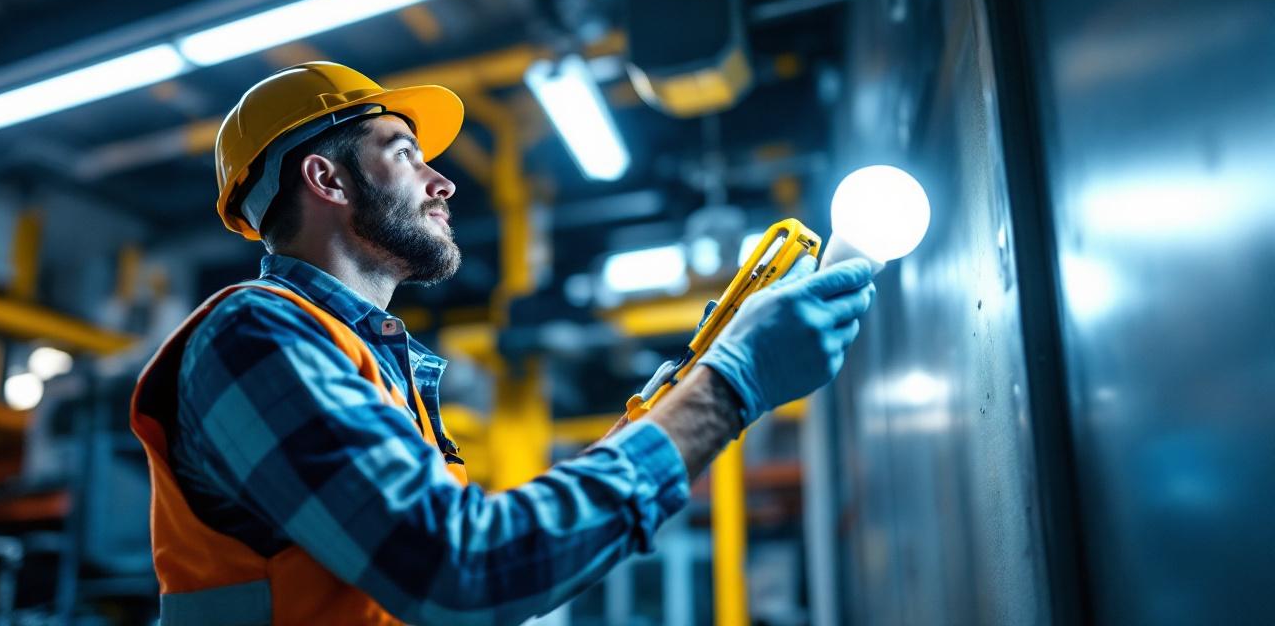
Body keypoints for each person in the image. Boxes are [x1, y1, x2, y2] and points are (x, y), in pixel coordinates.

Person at [130, 61, 875, 625]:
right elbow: (463, 569)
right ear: (326, 178)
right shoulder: (253, 336)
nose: (442, 181)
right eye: (403, 152)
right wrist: (733, 384)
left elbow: (491, 548)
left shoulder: (367, 362)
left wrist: (690, 387)